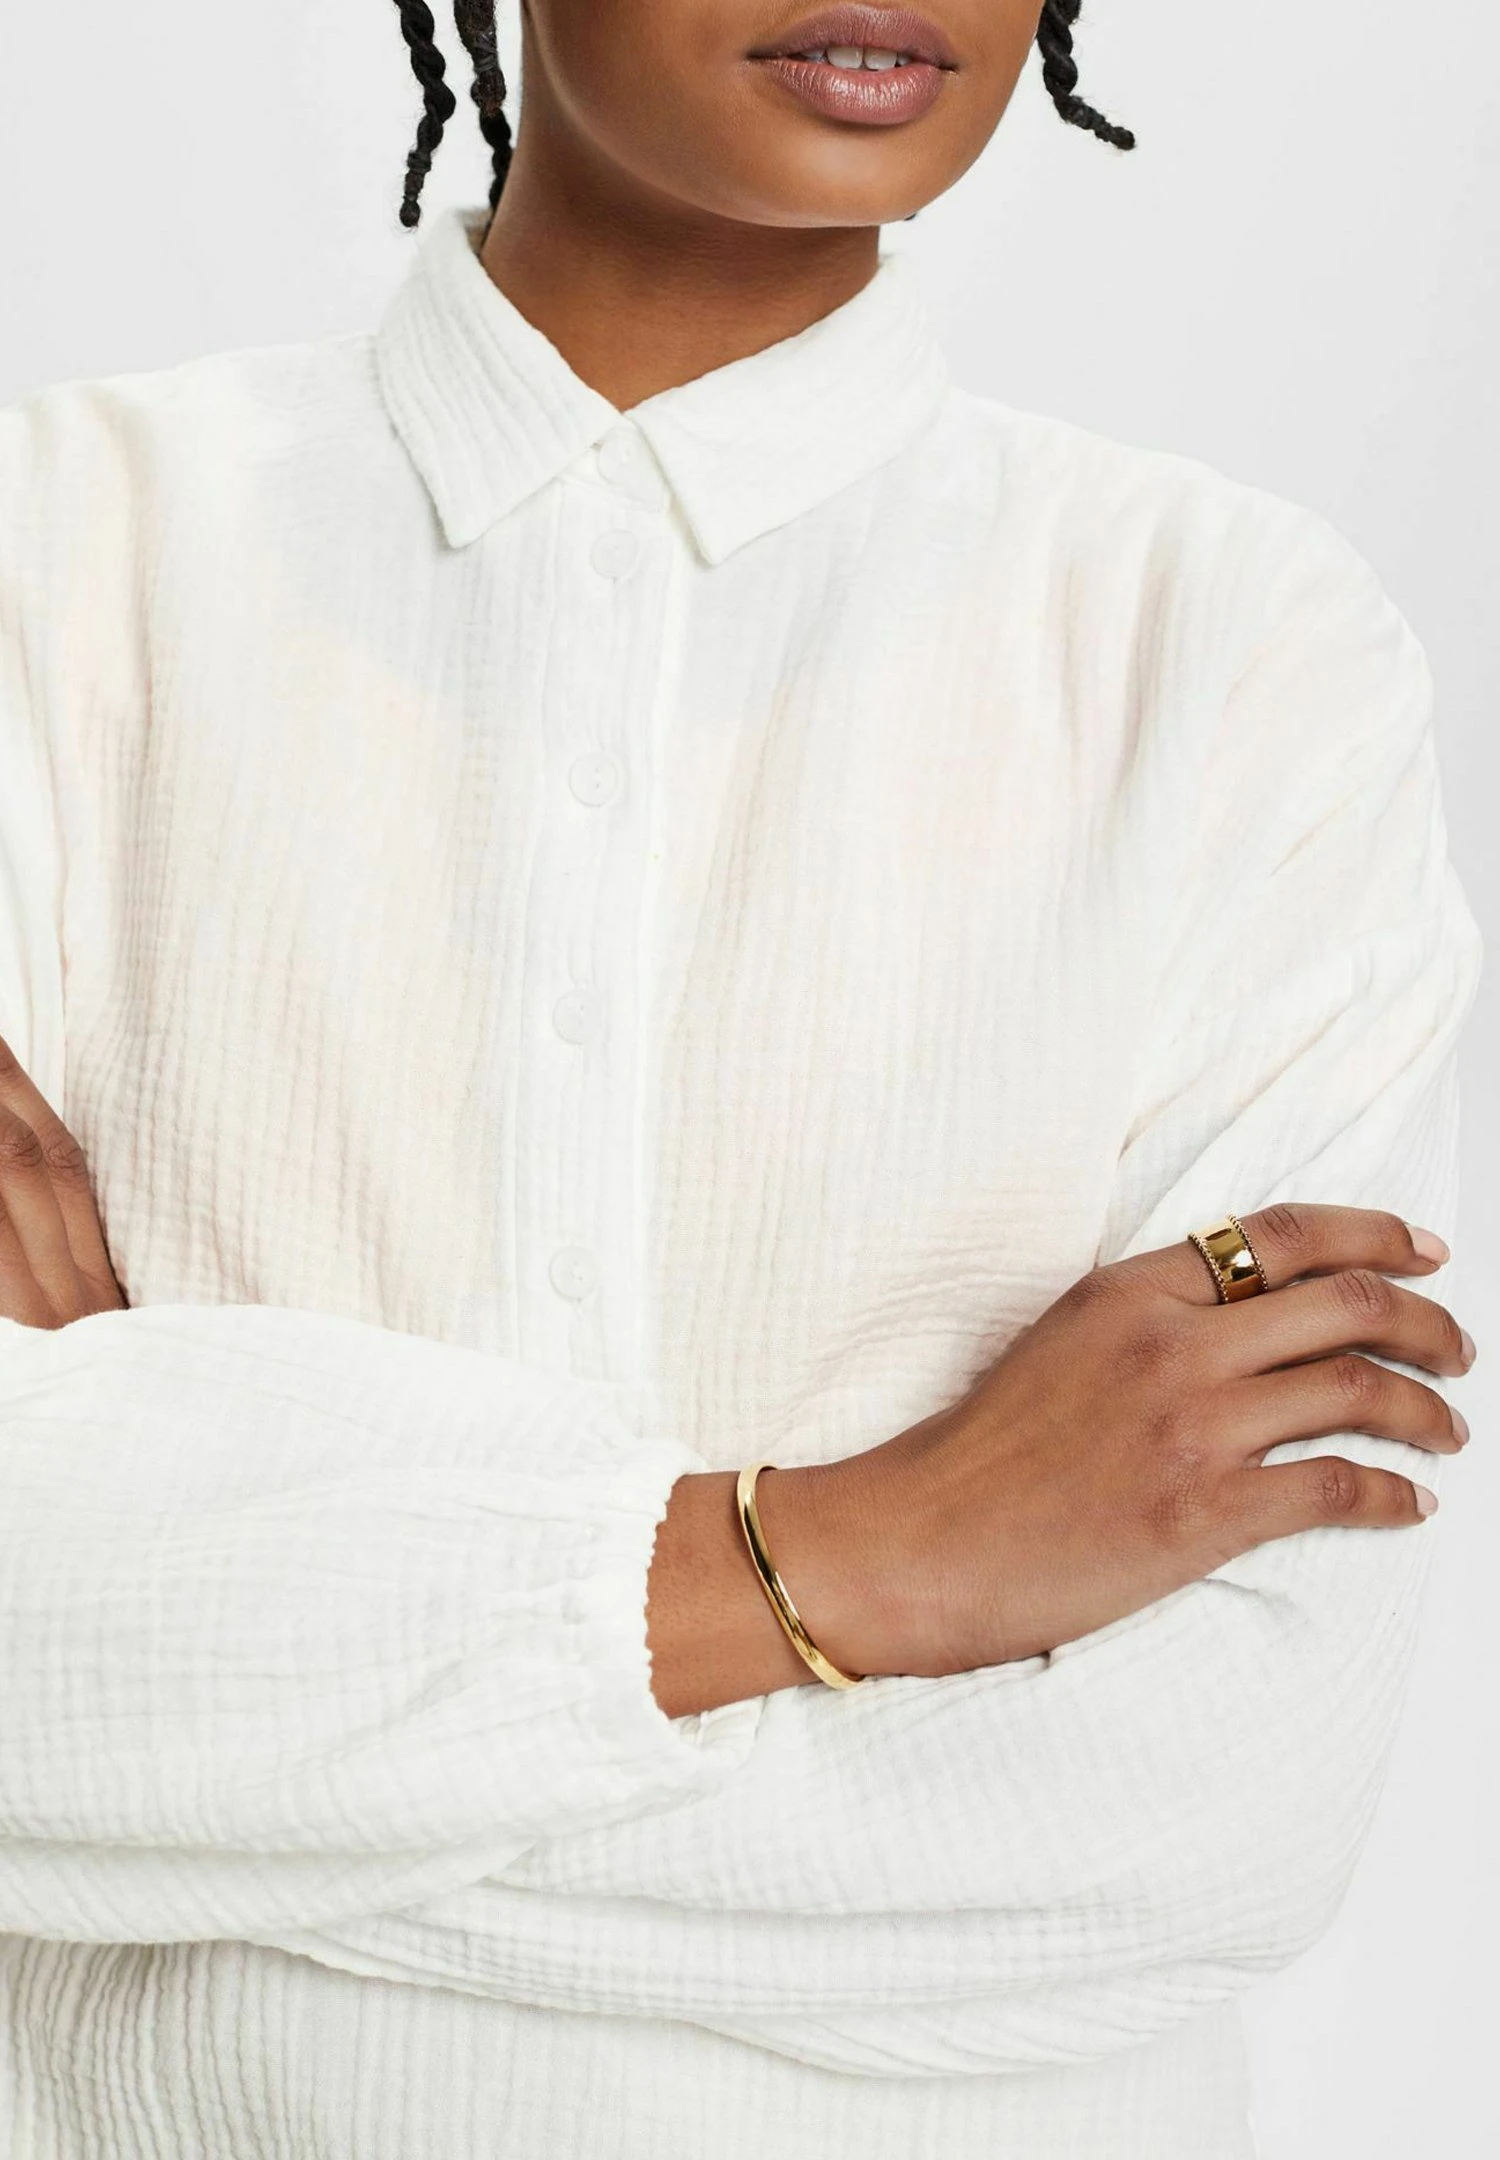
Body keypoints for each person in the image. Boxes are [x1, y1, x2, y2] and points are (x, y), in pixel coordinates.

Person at [0, 4, 1483, 2156]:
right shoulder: (50, 556)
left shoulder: (1242, 649)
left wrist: (174, 1707)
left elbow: (1209, 1819)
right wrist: (872, 1554)